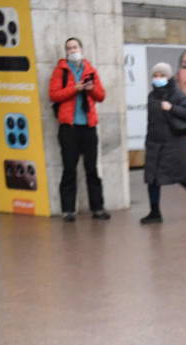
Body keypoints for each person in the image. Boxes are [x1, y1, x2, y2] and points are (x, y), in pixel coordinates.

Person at [47, 37, 109, 222]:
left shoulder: (90, 69)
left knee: (92, 169)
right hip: (69, 127)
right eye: (69, 48)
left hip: (88, 127)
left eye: (75, 47)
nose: (72, 50)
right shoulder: (61, 70)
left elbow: (101, 96)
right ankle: (68, 210)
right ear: (66, 52)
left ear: (81, 48)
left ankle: (97, 208)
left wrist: (89, 89)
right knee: (69, 169)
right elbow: (54, 94)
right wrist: (75, 88)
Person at [140, 62, 186, 224]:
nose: (158, 78)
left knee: (183, 177)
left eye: (162, 75)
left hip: (174, 144)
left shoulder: (177, 95)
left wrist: (171, 108)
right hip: (155, 143)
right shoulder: (152, 96)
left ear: (169, 77)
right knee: (152, 178)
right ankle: (155, 212)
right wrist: (148, 141)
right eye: (155, 75)